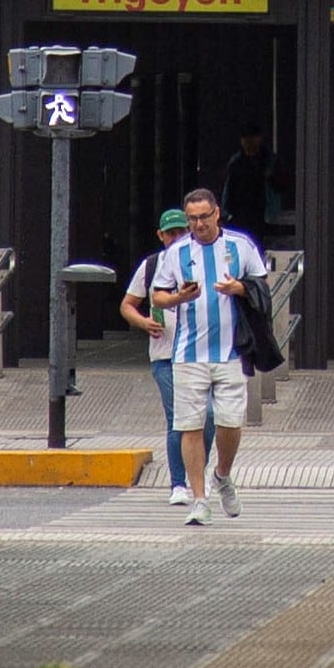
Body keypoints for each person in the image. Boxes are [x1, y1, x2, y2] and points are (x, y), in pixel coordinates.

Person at [151, 186, 267, 524]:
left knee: (230, 421)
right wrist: (179, 298)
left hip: (231, 351)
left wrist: (238, 288)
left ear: (217, 213)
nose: (199, 224)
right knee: (189, 425)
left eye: (204, 217)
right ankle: (199, 499)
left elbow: (262, 286)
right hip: (188, 353)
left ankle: (222, 474)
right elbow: (158, 296)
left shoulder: (240, 246)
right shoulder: (176, 252)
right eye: (192, 219)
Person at [119, 208, 194, 506]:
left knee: (209, 417)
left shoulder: (199, 262)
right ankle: (178, 483)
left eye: (181, 232)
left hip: (197, 352)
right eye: (171, 233)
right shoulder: (151, 265)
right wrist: (143, 322)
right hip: (164, 354)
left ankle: (197, 471)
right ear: (160, 236)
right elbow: (127, 304)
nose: (176, 238)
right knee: (177, 418)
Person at [222, 130, 275, 235]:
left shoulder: (269, 160)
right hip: (239, 214)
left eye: (252, 139)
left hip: (263, 214)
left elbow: (281, 186)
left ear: (259, 139)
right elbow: (228, 188)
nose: (249, 143)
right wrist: (226, 213)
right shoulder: (236, 161)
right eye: (246, 140)